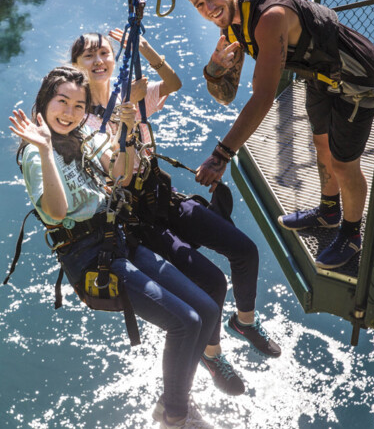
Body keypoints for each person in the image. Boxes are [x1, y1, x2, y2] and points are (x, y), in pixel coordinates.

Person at [70, 32, 281, 397]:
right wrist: (129, 118)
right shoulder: (83, 120)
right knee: (213, 283)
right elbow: (119, 172)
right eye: (89, 56)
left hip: (163, 198)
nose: (99, 60)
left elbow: (174, 83)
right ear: (77, 66)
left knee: (245, 250)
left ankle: (244, 321)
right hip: (140, 219)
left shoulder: (129, 94)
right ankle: (212, 355)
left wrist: (145, 50)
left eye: (104, 52)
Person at [10, 66, 216, 428]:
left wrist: (128, 130)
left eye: (78, 105)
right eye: (62, 102)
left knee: (206, 308)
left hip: (116, 239)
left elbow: (121, 175)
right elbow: (56, 215)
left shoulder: (86, 135)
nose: (69, 113)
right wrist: (44, 150)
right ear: (44, 102)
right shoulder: (34, 154)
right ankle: (177, 415)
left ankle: (172, 400)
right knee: (186, 323)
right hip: (91, 257)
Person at [179, 0, 374, 270]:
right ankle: (329, 211)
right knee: (322, 146)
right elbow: (226, 96)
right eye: (199, 4)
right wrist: (213, 71)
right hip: (320, 75)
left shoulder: (269, 17)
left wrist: (222, 155)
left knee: (344, 165)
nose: (208, 7)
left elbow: (263, 97)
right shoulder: (232, 24)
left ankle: (351, 234)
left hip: (355, 77)